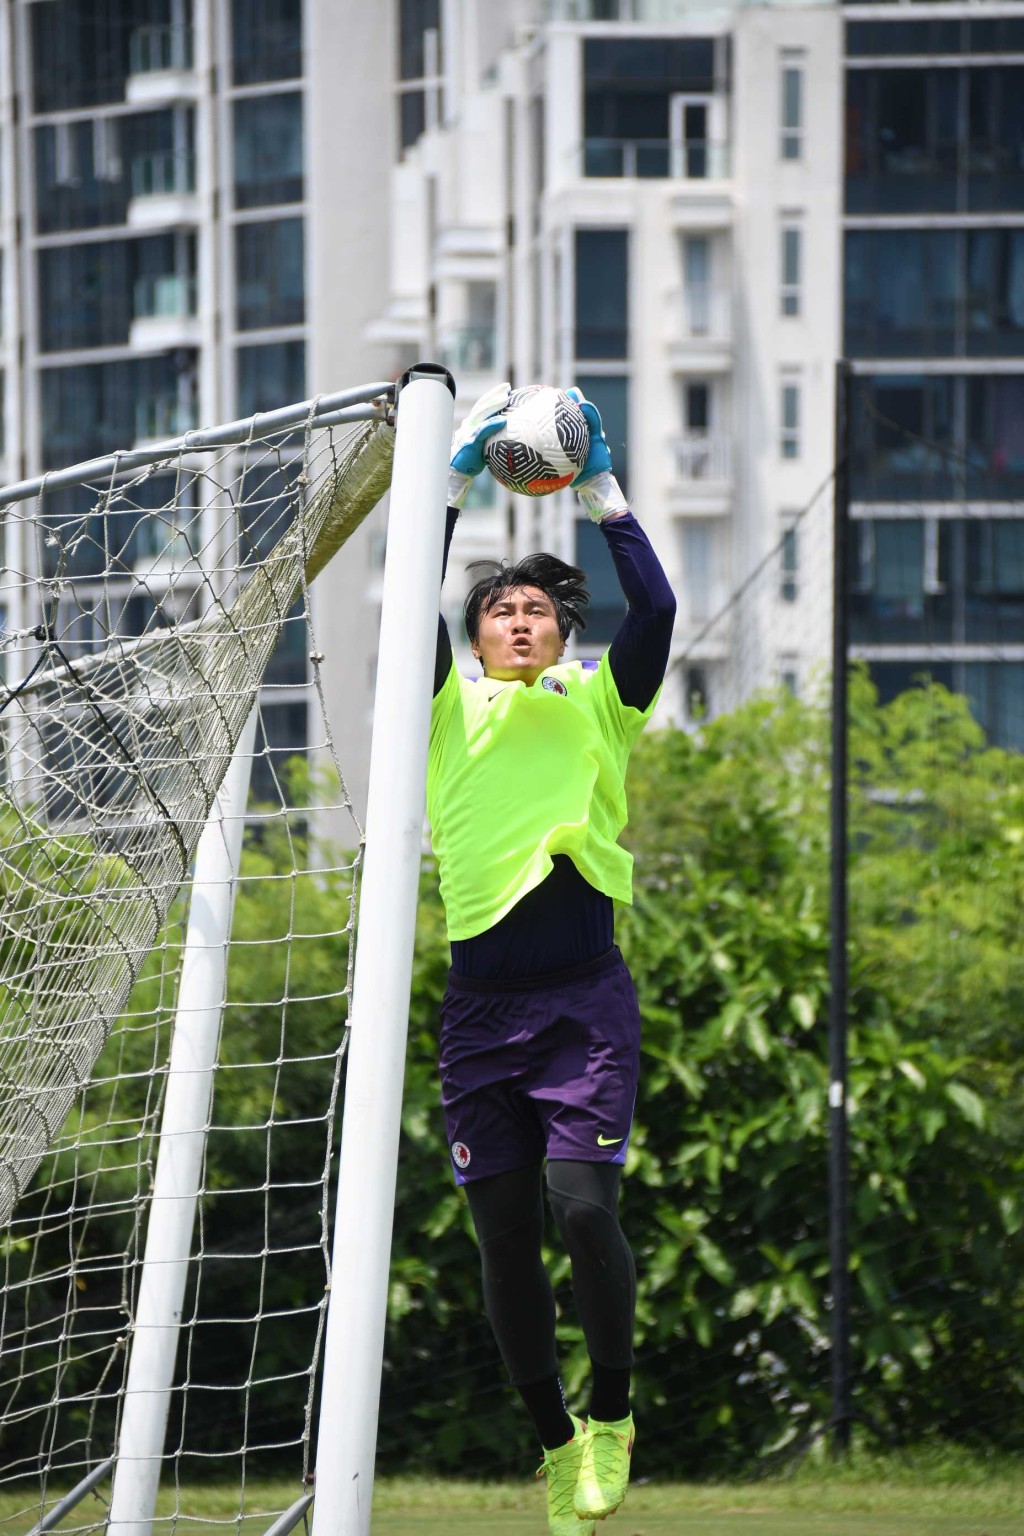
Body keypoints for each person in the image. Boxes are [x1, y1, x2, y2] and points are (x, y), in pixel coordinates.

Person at [427, 384, 676, 1536]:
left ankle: (615, 1414)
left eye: (537, 609)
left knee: (583, 1214)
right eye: (501, 610)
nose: (520, 620)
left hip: (583, 1006)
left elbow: (657, 609)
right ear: (478, 634)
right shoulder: (442, 713)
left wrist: (602, 494)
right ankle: (553, 1439)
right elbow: (405, 608)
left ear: (561, 633)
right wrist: (460, 473)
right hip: (480, 1012)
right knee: (503, 1238)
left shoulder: (595, 702)